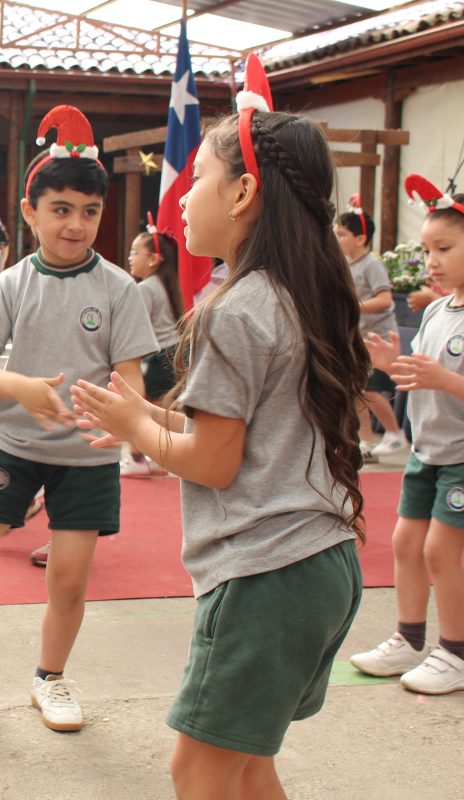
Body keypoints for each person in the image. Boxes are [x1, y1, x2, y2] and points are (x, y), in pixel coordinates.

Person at [72, 104, 367, 794]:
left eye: (197, 177)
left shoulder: (234, 309)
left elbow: (213, 462)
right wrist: (144, 412)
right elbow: (250, 436)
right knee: (247, 761)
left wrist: (138, 432)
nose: (180, 195)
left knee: (198, 767)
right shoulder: (301, 291)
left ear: (242, 194)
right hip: (321, 567)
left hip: (267, 578)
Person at [0, 105, 157, 734]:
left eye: (89, 212)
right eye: (61, 209)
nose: (75, 224)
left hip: (87, 454)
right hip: (12, 443)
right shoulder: (11, 284)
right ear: (30, 211)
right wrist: (22, 389)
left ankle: (51, 679)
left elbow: (132, 375)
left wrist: (127, 417)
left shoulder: (120, 288)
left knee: (68, 580)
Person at [351, 177, 464, 696]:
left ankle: (455, 651)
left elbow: (443, 380)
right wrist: (392, 365)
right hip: (427, 451)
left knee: (442, 549)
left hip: (460, 457)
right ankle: (409, 638)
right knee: (404, 541)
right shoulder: (438, 310)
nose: (432, 261)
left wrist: (445, 381)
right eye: (427, 250)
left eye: (444, 248)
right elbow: (422, 375)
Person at [335, 205, 408, 460]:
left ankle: (394, 433)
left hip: (380, 340)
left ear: (360, 239)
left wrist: (351, 305)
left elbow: (385, 300)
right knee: (356, 391)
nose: (337, 237)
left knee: (369, 389)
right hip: (360, 339)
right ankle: (365, 441)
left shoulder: (371, 265)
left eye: (342, 233)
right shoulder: (348, 266)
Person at [121, 222, 182, 478]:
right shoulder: (165, 284)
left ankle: (136, 457)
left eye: (136, 253)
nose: (130, 258)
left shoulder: (145, 287)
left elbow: (134, 329)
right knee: (163, 411)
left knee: (136, 407)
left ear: (154, 259)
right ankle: (159, 458)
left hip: (157, 358)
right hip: (173, 352)